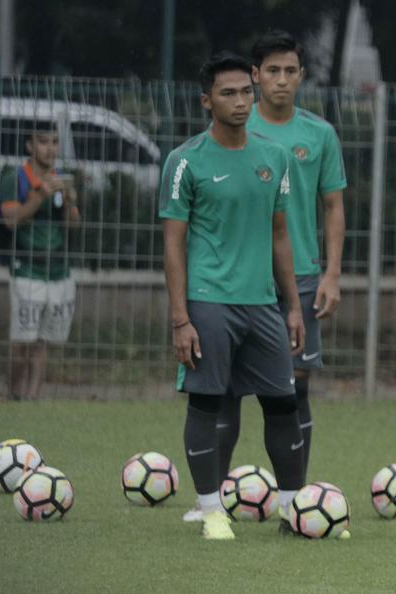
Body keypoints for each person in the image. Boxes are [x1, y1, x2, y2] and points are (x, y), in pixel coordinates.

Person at [193, 29, 348, 523]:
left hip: (300, 278)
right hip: (237, 283)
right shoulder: (232, 127)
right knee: (225, 391)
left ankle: (297, 502)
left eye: (291, 71)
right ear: (255, 76)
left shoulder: (319, 135)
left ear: (302, 76)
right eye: (273, 71)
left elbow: (333, 206)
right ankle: (212, 498)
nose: (282, 80)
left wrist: (332, 274)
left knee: (293, 390)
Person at [160, 52, 310, 541]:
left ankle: (293, 510)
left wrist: (292, 306)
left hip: (262, 304)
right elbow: (173, 244)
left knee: (284, 403)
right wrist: (180, 318)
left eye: (246, 91)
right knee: (207, 404)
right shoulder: (185, 161)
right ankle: (210, 510)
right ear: (206, 100)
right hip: (209, 302)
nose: (241, 101)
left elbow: (280, 235)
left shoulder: (274, 157)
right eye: (228, 93)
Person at [0, 121, 80, 400]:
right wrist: (39, 196)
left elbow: (73, 226)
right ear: (30, 145)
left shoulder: (60, 180)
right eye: (43, 142)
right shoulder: (15, 178)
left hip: (57, 270)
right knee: (22, 340)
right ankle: (14, 394)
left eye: (55, 142)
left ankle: (32, 399)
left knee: (42, 341)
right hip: (26, 269)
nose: (50, 149)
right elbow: (11, 220)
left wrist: (69, 202)